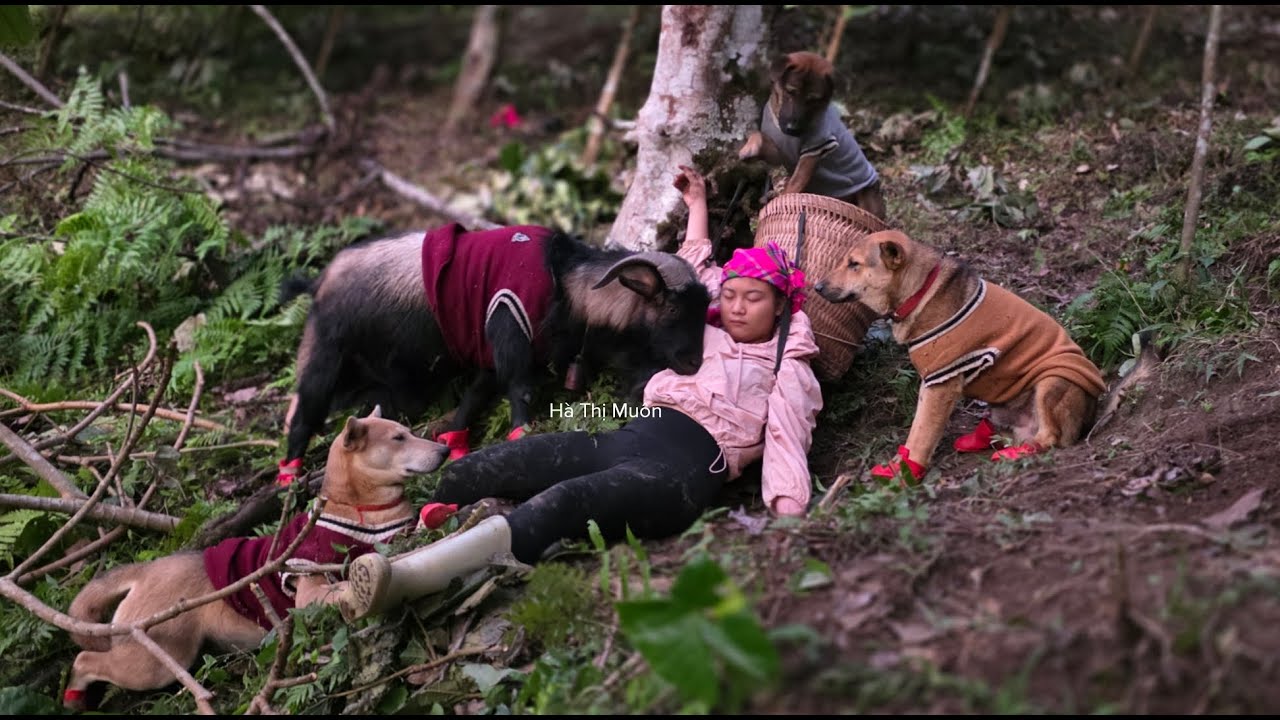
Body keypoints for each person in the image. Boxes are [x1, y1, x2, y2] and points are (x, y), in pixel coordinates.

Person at [334, 165, 824, 623]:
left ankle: (406, 580)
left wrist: (789, 519)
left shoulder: (787, 364)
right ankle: (380, 547)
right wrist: (697, 201)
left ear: (781, 305)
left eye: (754, 298)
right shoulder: (709, 322)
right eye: (732, 295)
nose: (736, 308)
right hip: (629, 435)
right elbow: (690, 265)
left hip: (682, 469)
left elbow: (787, 439)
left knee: (564, 503)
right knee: (493, 463)